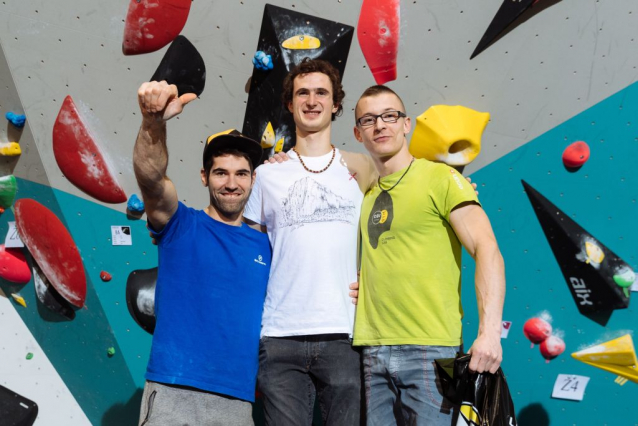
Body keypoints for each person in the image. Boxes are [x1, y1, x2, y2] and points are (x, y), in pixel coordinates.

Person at [351, 85, 506, 426]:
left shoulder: (440, 178)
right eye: (369, 119)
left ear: (406, 124)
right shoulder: (365, 194)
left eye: (389, 116)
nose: (380, 125)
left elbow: (487, 249)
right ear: (358, 132)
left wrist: (490, 332)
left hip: (429, 351)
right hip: (371, 351)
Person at [243, 58, 377, 426]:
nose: (312, 100)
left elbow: (398, 218)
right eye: (303, 92)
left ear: (335, 104)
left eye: (322, 92)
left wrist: (377, 280)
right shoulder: (267, 174)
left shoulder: (361, 167)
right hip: (280, 336)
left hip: (344, 335)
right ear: (290, 103)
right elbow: (250, 252)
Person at [134, 80, 271, 426]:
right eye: (221, 172)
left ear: (253, 180)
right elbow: (151, 179)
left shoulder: (267, 246)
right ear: (204, 176)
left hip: (238, 400)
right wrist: (154, 122)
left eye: (241, 174)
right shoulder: (180, 224)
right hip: (172, 389)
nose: (231, 183)